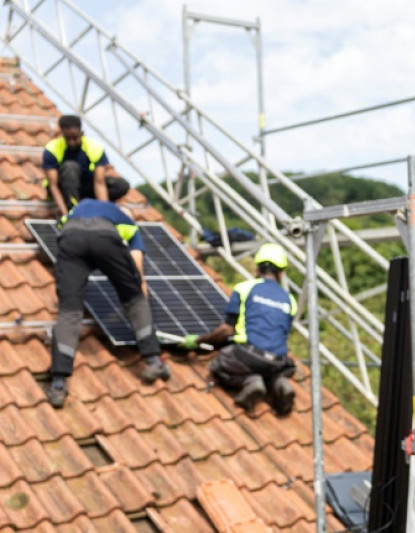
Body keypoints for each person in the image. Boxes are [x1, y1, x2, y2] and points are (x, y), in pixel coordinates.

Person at [47, 199, 169, 407]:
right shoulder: (128, 223)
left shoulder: (83, 206)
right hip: (105, 238)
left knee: (69, 310)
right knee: (133, 298)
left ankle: (58, 383)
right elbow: (136, 260)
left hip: (70, 237)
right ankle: (153, 361)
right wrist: (138, 289)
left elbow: (63, 229)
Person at [179, 243, 297, 414]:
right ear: (281, 273)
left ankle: (251, 382)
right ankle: (279, 383)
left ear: (257, 268)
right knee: (271, 365)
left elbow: (227, 330)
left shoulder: (245, 289)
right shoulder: (290, 300)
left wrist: (198, 341)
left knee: (221, 363)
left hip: (249, 354)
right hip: (278, 361)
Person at [42, 115, 130, 217]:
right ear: (62, 134)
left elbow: (99, 182)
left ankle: (89, 204)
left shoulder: (95, 147)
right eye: (68, 138)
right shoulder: (52, 149)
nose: (72, 142)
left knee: (121, 185)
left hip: (84, 186)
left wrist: (105, 212)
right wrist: (66, 214)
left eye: (75, 137)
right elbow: (53, 185)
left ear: (81, 133)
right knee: (70, 167)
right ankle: (73, 209)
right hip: (62, 189)